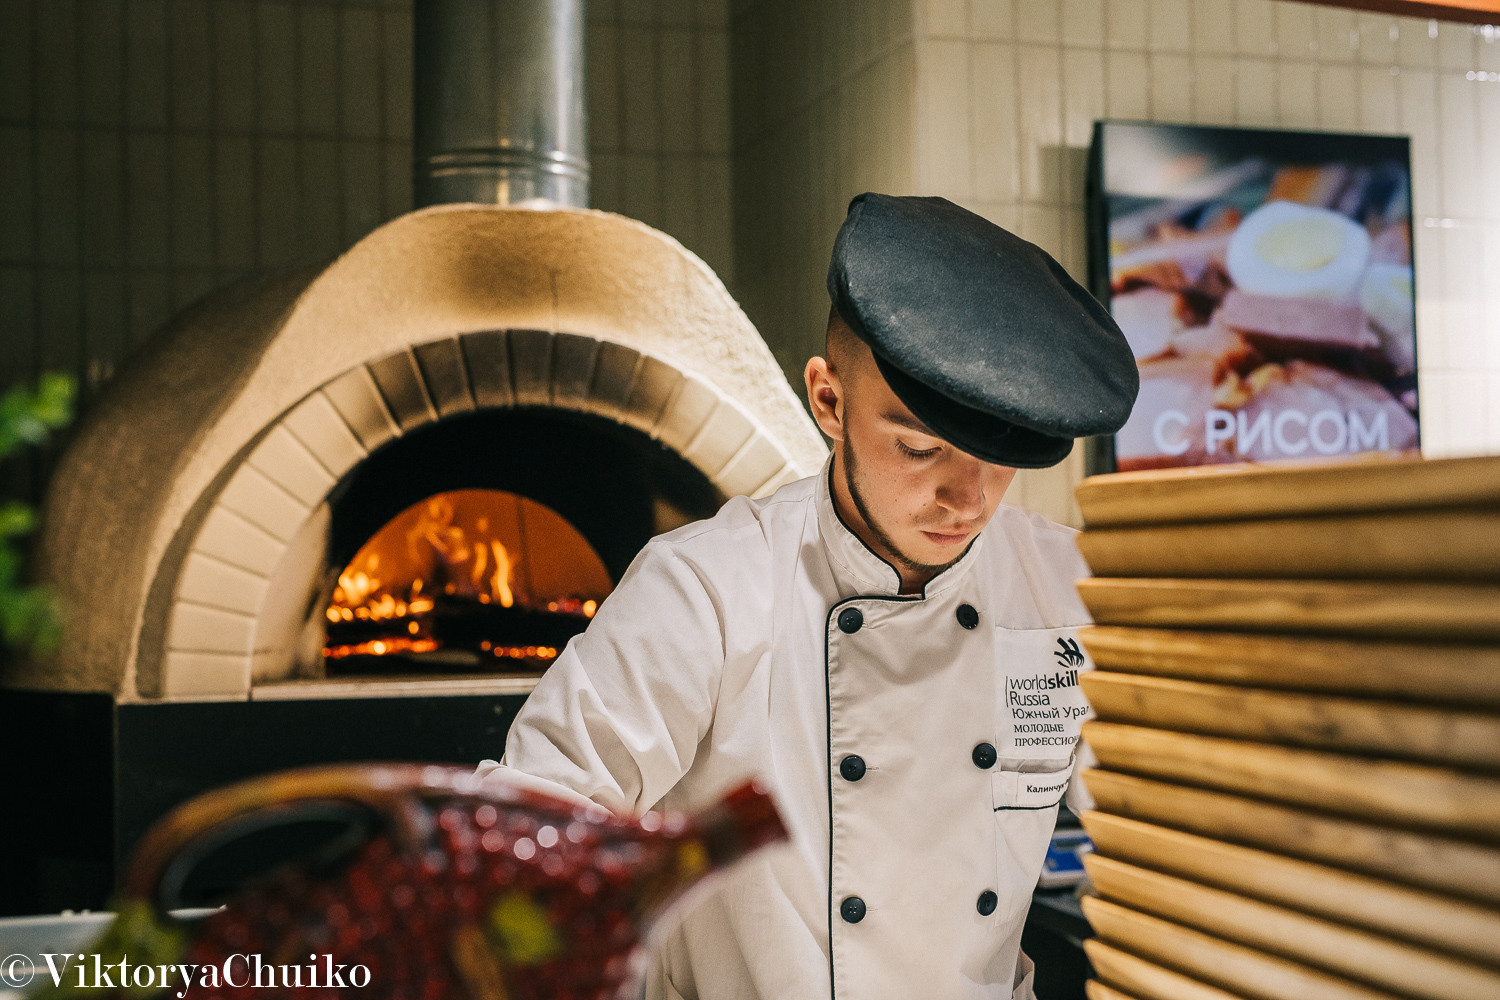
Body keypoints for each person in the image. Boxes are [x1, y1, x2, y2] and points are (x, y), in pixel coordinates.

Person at [479, 193, 1139, 1000]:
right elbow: (531, 839)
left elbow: (1174, 826)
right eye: (921, 448)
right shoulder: (708, 590)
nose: (967, 499)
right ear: (828, 401)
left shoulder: (1068, 590)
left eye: (998, 459)